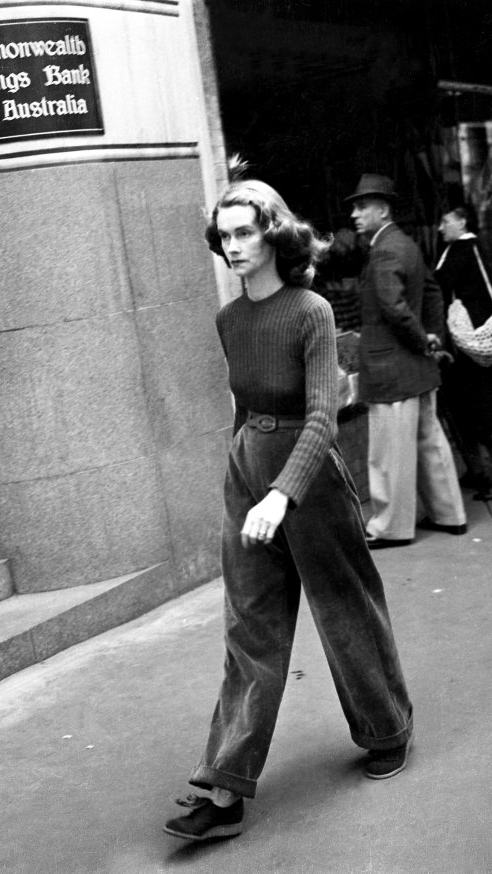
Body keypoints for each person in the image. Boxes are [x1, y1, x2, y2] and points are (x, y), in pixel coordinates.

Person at [163, 176, 414, 843]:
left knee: (344, 609)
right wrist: (244, 478)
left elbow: (323, 416)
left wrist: (284, 492)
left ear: (274, 233)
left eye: (246, 231)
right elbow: (246, 408)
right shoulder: (229, 319)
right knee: (250, 626)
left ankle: (387, 728)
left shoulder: (311, 312)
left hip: (310, 479)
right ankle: (224, 788)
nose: (234, 244)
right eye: (225, 233)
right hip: (250, 473)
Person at [346, 174, 467, 549]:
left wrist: (422, 339)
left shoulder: (383, 250)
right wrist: (431, 338)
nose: (354, 214)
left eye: (361, 207)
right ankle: (451, 515)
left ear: (382, 210)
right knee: (429, 441)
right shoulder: (407, 245)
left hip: (390, 367)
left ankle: (390, 527)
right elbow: (432, 292)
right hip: (416, 367)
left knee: (389, 452)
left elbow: (395, 310)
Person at [435, 206, 492, 500]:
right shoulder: (475, 248)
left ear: (461, 221)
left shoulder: (461, 249)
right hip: (476, 343)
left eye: (446, 221)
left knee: (477, 407)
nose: (440, 227)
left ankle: (487, 475)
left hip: (468, 344)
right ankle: (479, 470)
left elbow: (439, 285)